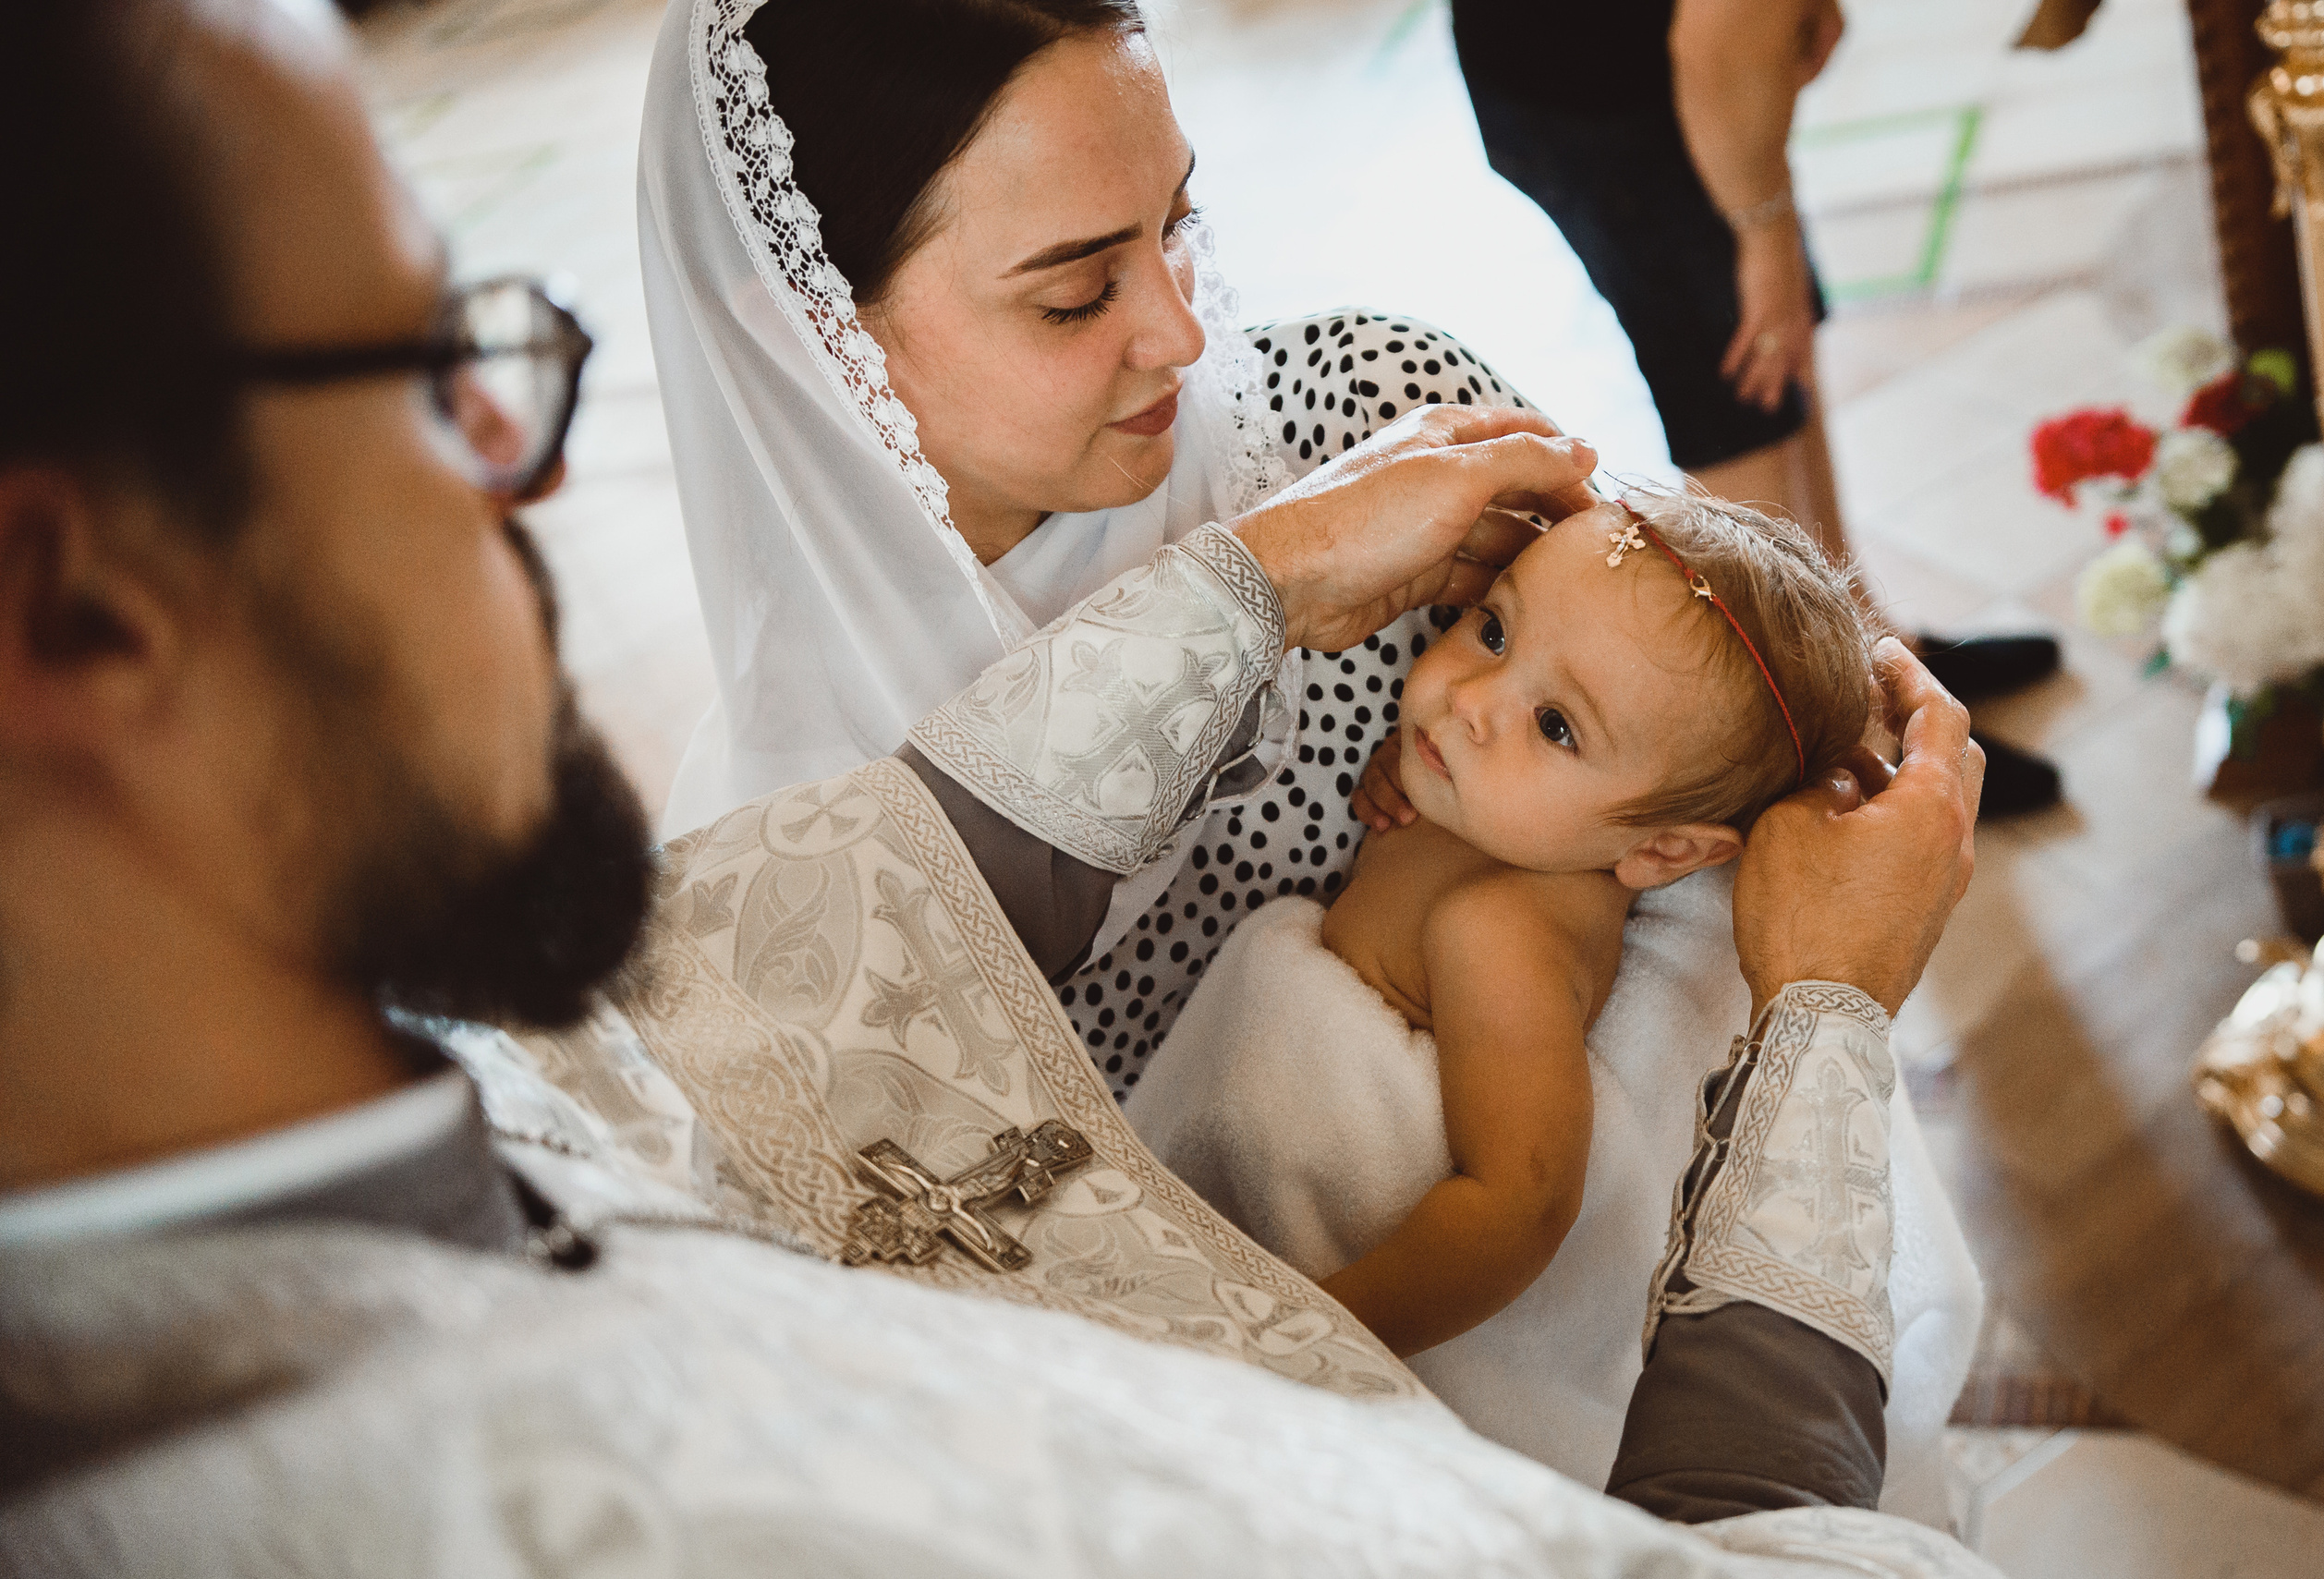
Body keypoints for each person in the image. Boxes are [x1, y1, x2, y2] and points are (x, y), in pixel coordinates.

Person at [0, 2, 2002, 1573]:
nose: (509, 473)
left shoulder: (487, 1074)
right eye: (435, 374)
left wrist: (1277, 573)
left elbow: (817, 948)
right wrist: (1821, 1016)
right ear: (67, 595)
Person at [645, 0, 1596, 1097]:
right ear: (807, 331)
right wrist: (1268, 579)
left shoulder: (1380, 430)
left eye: (1178, 222)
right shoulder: (797, 833)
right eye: (1076, 295)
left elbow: (1726, 709)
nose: (1183, 337)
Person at [1126, 492, 1978, 1500]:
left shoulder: (1502, 933)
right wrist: (1410, 779)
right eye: (1493, 626)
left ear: (1663, 851)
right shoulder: (1493, 803)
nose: (1471, 699)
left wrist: (1303, 1338)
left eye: (1556, 724)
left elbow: (1518, 1204)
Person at [1450, 0, 2066, 817]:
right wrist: (1764, 232)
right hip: (1600, 86)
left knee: (1779, 352)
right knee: (1742, 382)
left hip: (1634, 57)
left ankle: (1879, 651)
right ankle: (1851, 744)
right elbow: (1722, 38)